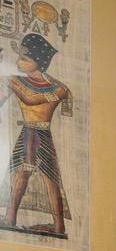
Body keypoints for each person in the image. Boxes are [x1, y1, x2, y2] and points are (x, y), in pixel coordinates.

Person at [6, 32, 74, 236]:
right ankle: (10, 218)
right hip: (28, 133)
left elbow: (31, 99)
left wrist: (12, 82)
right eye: (19, 57)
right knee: (21, 176)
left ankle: (59, 226)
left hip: (41, 135)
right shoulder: (18, 81)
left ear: (39, 62)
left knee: (50, 179)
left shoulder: (58, 87)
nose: (18, 62)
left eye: (25, 59)